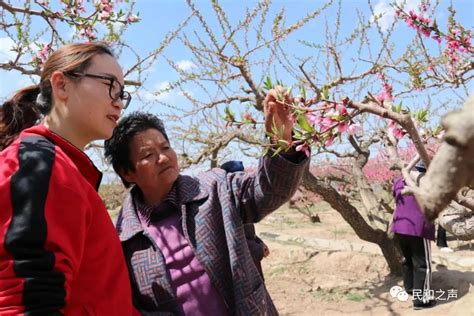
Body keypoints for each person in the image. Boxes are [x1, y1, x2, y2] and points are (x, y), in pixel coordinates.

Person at [104, 89, 308, 315]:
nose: (163, 158)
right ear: (127, 172)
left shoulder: (216, 187)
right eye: (147, 155)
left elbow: (269, 190)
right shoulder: (122, 240)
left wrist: (281, 139)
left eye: (165, 147)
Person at [0, 43, 136, 315]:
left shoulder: (62, 170)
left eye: (122, 93)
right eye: (110, 85)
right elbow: (24, 303)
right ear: (61, 85)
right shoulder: (38, 166)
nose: (118, 101)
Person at [391, 161, 436, 310]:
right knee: (423, 264)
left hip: (400, 227)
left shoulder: (398, 181)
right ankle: (421, 300)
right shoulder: (427, 183)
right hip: (418, 228)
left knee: (408, 260)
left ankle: (410, 288)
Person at [220, 160, 270, 280]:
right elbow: (233, 239)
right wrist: (258, 249)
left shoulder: (242, 200)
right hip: (240, 270)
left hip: (252, 264)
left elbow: (248, 232)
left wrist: (260, 242)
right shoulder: (225, 204)